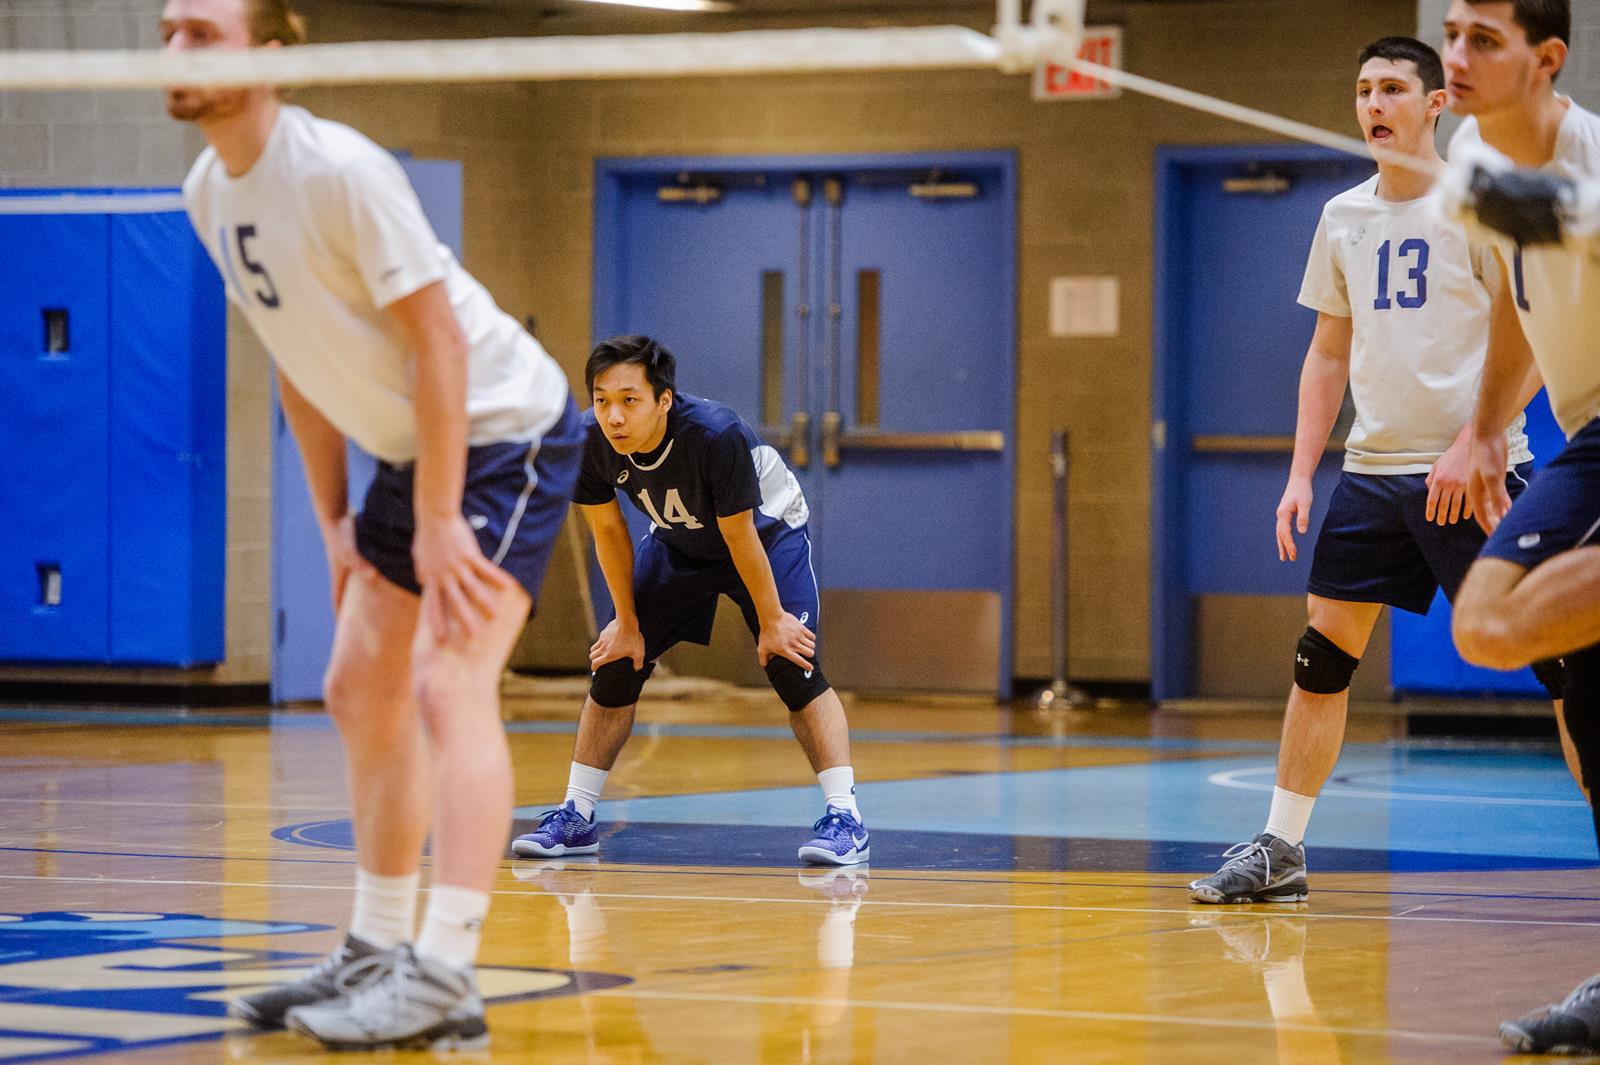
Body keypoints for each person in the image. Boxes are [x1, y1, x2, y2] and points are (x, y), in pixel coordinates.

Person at [163, 0, 582, 1050]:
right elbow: (297, 358)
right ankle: (377, 948)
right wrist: (338, 523)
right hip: (414, 451)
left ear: (271, 50)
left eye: (199, 32)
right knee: (356, 686)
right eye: (164, 29)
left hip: (504, 431)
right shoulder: (209, 190)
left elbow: (438, 342)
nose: (172, 50)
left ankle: (445, 970)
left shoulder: (340, 172)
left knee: (448, 682)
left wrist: (440, 518)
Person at [1188, 36, 1564, 906]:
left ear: (1438, 105)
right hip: (1372, 472)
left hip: (1475, 474)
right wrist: (1298, 474)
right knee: (1321, 656)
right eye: (1363, 90)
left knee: (1563, 666)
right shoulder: (1343, 217)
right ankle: (1282, 847)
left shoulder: (1480, 212)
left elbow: (1543, 341)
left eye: (1393, 88)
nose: (1374, 105)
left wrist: (1479, 438)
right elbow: (1327, 354)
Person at [511, 335, 870, 866]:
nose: (613, 416)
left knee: (792, 663)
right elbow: (607, 531)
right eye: (602, 398)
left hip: (765, 537)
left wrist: (772, 620)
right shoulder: (587, 439)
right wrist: (627, 623)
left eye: (629, 400)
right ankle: (576, 814)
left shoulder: (714, 434)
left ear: (664, 400)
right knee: (616, 662)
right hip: (678, 541)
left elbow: (740, 535)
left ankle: (846, 819)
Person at [1432, 0, 1600, 1052]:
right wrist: (1487, 427)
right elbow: (1515, 294)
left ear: (1546, 59)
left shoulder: (1585, 161)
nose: (1454, 57)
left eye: (1481, 41)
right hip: (1582, 433)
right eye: (1450, 34)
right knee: (1492, 628)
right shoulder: (1469, 158)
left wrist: (1542, 205)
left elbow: (1560, 220)